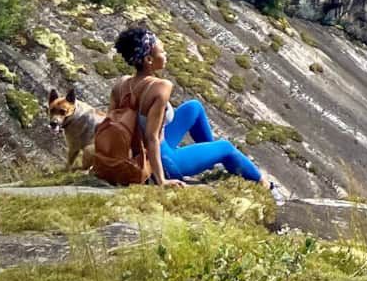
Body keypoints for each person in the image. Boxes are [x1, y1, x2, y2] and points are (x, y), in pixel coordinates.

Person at [110, 24, 286, 200]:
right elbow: (151, 138)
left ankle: (210, 156)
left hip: (144, 151)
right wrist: (161, 180)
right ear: (149, 60)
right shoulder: (160, 87)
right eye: (162, 52)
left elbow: (111, 123)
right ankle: (266, 186)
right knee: (226, 147)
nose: (166, 55)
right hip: (165, 162)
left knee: (194, 107)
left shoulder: (122, 84)